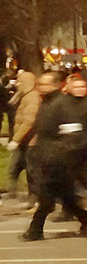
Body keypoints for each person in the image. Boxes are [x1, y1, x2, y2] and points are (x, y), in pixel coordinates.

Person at [21, 73, 87, 241]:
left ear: (56, 86)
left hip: (59, 159)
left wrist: (59, 152)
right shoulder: (47, 103)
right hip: (47, 157)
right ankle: (86, 218)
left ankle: (35, 230)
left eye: (45, 84)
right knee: (65, 196)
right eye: (40, 84)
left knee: (46, 196)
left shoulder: (62, 104)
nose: (41, 87)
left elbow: (72, 132)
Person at [5, 71, 39, 200]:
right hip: (24, 140)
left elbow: (29, 121)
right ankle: (13, 191)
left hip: (29, 140)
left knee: (31, 170)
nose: (17, 84)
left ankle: (34, 197)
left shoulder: (32, 97)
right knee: (15, 167)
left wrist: (16, 139)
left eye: (20, 81)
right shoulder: (24, 95)